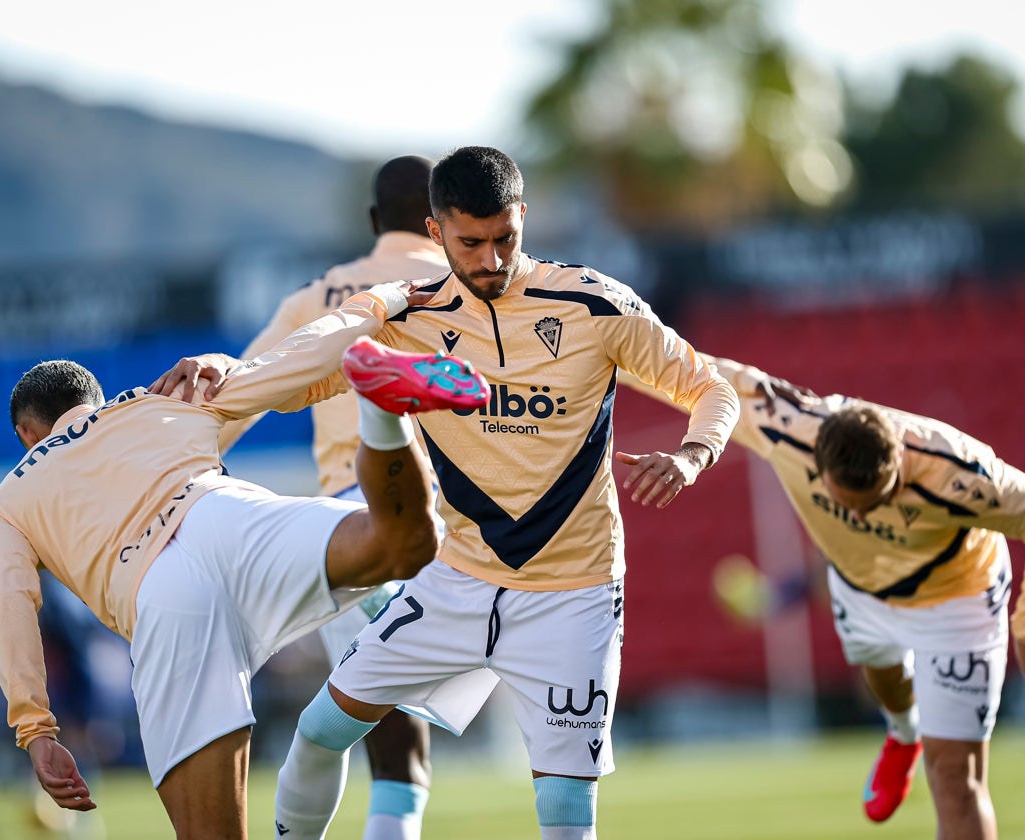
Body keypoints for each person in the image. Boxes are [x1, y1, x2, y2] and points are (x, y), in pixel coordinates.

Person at [154, 146, 740, 840]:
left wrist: (693, 455)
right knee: (318, 732)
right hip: (454, 582)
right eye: (471, 243)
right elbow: (303, 367)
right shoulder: (408, 314)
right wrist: (231, 371)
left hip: (574, 596)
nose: (490, 259)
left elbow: (710, 387)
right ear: (436, 232)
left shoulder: (594, 303)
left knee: (565, 816)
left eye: (504, 239)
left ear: (522, 217)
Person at [0, 288, 491, 840]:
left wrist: (36, 729)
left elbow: (9, 608)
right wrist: (382, 302)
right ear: (97, 402)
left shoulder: (9, 499)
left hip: (160, 596)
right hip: (226, 516)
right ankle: (379, 409)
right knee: (405, 544)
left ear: (27, 437)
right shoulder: (162, 398)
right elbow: (295, 359)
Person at [622, 354, 1025, 838]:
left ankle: (916, 738)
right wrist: (598, 345)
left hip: (957, 598)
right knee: (883, 672)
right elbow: (673, 362)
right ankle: (903, 733)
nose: (861, 520)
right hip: (859, 586)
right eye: (845, 507)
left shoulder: (966, 476)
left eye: (874, 505)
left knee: (957, 781)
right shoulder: (788, 426)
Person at [215, 154, 445, 840]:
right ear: (445, 219)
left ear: (375, 222)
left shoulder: (314, 296)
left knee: (372, 727)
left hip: (349, 527)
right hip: (453, 514)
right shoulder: (472, 282)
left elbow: (236, 399)